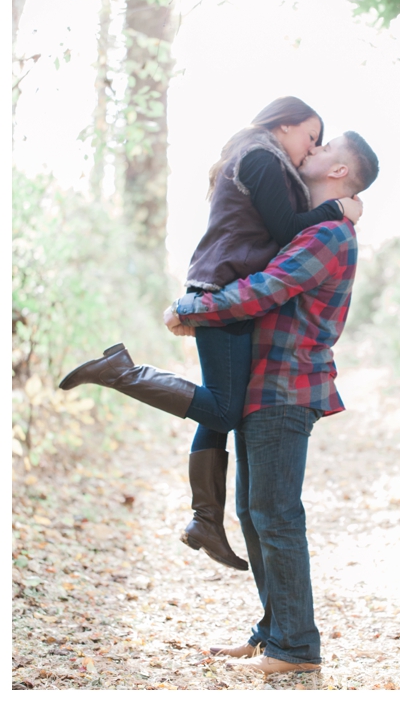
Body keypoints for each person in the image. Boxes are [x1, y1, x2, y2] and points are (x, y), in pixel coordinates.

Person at [59, 97, 361, 572]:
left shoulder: (266, 159)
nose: (313, 147)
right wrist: (337, 207)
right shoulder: (260, 155)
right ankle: (122, 372)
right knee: (223, 406)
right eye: (311, 135)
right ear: (284, 125)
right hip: (222, 288)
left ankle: (205, 520)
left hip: (224, 285)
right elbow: (286, 230)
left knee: (224, 403)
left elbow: (283, 224)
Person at [165, 130, 379, 675]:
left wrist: (194, 309)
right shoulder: (307, 226)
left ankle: (297, 649)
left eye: (323, 149)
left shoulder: (330, 234)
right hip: (263, 384)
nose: (310, 152)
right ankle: (272, 632)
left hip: (287, 386)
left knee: (277, 515)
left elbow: (265, 289)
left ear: (338, 171)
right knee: (255, 514)